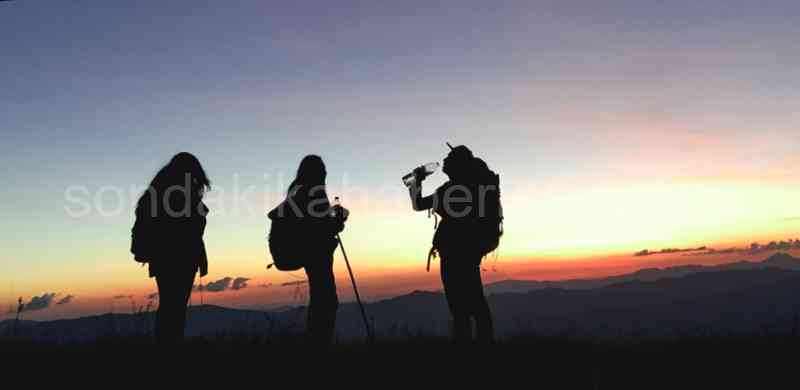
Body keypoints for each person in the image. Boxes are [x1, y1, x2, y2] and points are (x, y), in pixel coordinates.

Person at [408, 145, 499, 343]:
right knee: (475, 303)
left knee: (461, 306)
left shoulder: (453, 190)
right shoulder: (468, 188)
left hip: (456, 253)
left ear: (458, 164)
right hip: (467, 251)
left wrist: (415, 183)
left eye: (449, 158)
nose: (445, 161)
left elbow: (418, 205)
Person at [131, 152, 211, 345]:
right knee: (174, 306)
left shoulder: (159, 193)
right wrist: (200, 256)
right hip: (180, 258)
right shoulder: (180, 195)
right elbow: (190, 231)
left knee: (171, 305)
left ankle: (168, 343)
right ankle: (170, 345)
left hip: (165, 259)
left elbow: (191, 231)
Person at [268, 155, 346, 346]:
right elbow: (319, 228)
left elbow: (313, 226)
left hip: (304, 252)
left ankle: (316, 343)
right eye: (322, 171)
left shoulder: (299, 194)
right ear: (317, 174)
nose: (325, 175)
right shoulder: (312, 195)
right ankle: (319, 345)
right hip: (314, 253)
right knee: (326, 299)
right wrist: (337, 223)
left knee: (323, 297)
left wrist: (332, 225)